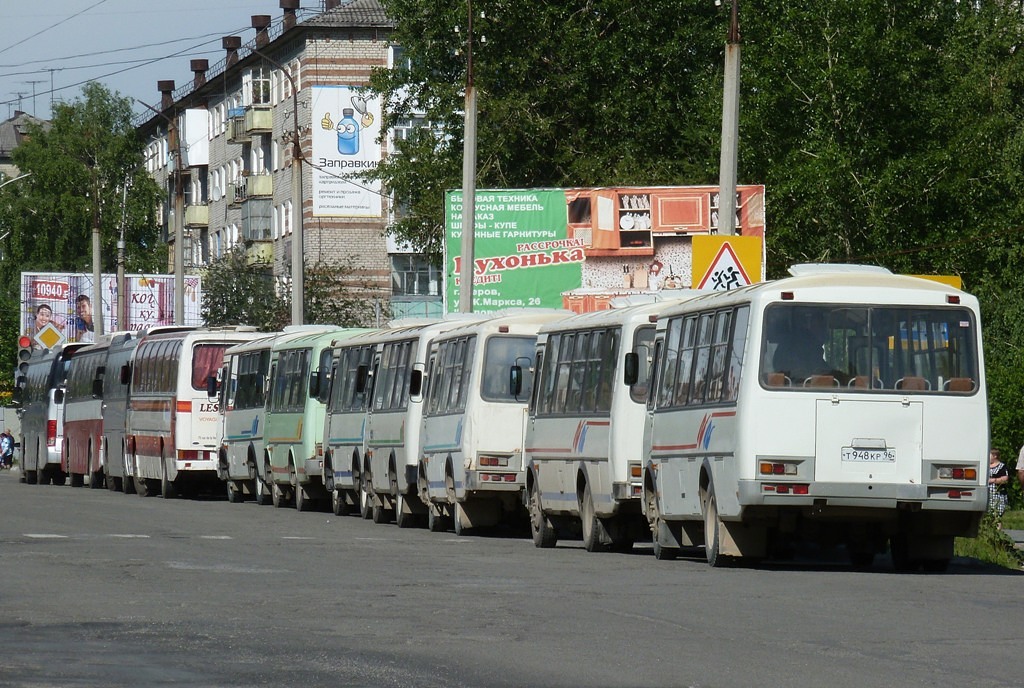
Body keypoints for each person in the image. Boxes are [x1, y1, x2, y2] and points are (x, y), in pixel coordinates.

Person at [770, 311, 832, 384]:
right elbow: (816, 367)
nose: (824, 330)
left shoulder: (813, 345)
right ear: (809, 325)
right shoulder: (805, 345)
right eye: (821, 326)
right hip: (795, 385)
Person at [988, 449, 1009, 522]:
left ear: (995, 456)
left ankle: (997, 531)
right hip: (987, 495)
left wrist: (993, 480)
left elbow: (1005, 479)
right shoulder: (986, 466)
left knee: (997, 517)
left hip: (998, 495)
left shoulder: (1002, 467)